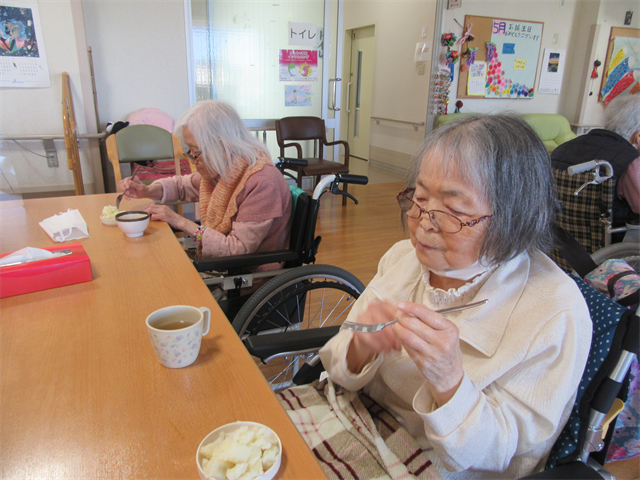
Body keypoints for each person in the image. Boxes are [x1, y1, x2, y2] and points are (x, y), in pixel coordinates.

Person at [281, 115, 592, 479]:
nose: (423, 221)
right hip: (354, 420)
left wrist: (450, 383)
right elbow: (338, 367)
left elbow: (512, 458)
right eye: (420, 196)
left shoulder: (555, 312)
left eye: (455, 210)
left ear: (514, 217)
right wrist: (358, 348)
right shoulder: (403, 259)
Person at [118, 100, 292, 266]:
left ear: (223, 148)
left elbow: (237, 249)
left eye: (195, 152)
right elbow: (183, 186)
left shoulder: (262, 182)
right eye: (190, 151)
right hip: (223, 266)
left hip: (248, 278)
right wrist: (147, 191)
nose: (193, 160)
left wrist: (180, 222)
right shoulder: (229, 167)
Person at [551, 94, 640, 224]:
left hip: (557, 238)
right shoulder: (630, 160)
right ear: (638, 135)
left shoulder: (561, 149)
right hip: (611, 242)